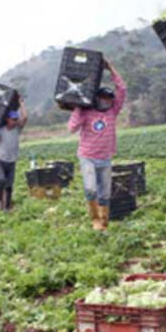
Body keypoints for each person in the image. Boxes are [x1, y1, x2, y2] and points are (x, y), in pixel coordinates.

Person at [67, 59, 126, 231]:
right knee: (91, 189)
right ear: (96, 98)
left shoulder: (112, 112)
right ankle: (94, 219)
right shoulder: (86, 112)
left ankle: (104, 223)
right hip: (87, 157)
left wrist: (111, 69)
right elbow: (71, 128)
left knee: (105, 194)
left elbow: (122, 89)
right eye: (103, 98)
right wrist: (78, 107)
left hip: (105, 157)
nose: (106, 101)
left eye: (109, 99)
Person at [0, 98, 28, 211]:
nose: (15, 121)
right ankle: (0, 200)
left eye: (16, 119)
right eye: (13, 119)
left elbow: (25, 117)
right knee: (1, 180)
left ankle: (7, 207)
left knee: (9, 186)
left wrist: (21, 104)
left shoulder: (17, 129)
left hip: (12, 161)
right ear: (7, 119)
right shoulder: (1, 130)